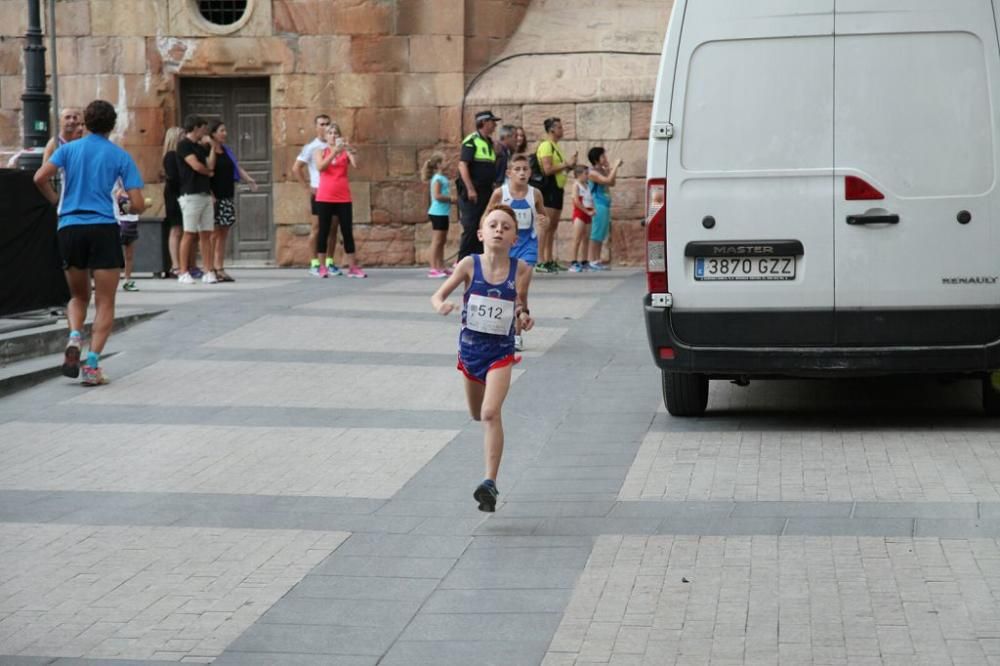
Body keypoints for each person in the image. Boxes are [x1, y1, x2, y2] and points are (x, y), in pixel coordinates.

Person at [32, 99, 146, 386]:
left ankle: (73, 336)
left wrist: (58, 202)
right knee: (105, 300)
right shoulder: (120, 156)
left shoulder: (68, 150)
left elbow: (39, 177)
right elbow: (139, 204)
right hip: (103, 228)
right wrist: (128, 207)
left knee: (78, 296)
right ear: (112, 125)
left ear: (86, 123)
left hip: (69, 227)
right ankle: (92, 365)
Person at [431, 204, 534, 512]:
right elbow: (438, 295)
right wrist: (440, 306)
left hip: (500, 353)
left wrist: (525, 316)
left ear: (515, 237)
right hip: (470, 352)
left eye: (506, 226)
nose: (499, 230)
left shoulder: (522, 270)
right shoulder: (468, 265)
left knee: (491, 413)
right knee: (477, 414)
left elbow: (521, 305)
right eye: (493, 225)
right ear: (481, 233)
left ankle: (489, 483)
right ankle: (488, 476)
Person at [485, 154, 545, 351]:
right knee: (505, 290)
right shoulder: (500, 194)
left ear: (530, 173)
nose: (522, 173)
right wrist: (486, 238)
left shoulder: (535, 194)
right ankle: (502, 329)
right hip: (506, 248)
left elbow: (544, 217)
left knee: (521, 290)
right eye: (517, 169)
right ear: (509, 173)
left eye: (525, 169)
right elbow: (487, 217)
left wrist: (545, 222)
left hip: (528, 245)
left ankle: (517, 335)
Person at [313, 123, 366, 278]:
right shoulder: (320, 151)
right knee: (323, 231)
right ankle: (322, 266)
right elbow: (321, 167)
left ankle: (352, 267)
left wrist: (350, 150)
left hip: (343, 197)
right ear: (325, 136)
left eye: (336, 133)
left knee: (347, 231)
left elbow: (357, 165)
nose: (333, 135)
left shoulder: (344, 152)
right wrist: (333, 152)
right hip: (325, 197)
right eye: (330, 132)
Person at [208, 120, 258, 282]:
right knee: (214, 234)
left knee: (223, 232)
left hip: (227, 194)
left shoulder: (226, 150)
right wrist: (209, 193)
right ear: (213, 133)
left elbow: (237, 167)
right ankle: (210, 268)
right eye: (222, 130)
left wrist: (249, 180)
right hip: (215, 196)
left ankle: (220, 267)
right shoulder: (208, 151)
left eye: (225, 130)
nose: (225, 133)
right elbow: (206, 172)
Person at [294, 114, 341, 276]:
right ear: (316, 127)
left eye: (327, 124)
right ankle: (314, 263)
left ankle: (329, 261)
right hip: (319, 191)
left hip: (335, 192)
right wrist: (307, 188)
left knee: (334, 227)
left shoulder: (336, 145)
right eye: (321, 124)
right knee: (317, 227)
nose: (325, 127)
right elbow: (296, 168)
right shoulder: (311, 147)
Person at [176, 115, 217, 285]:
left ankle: (208, 270)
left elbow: (211, 164)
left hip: (204, 193)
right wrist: (208, 172)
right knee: (189, 233)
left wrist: (213, 146)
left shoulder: (200, 147)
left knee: (206, 233)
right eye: (203, 128)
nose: (205, 132)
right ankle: (183, 271)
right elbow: (196, 166)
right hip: (191, 194)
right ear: (195, 128)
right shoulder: (184, 145)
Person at [535, 117, 577, 273]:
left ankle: (549, 259)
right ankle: (540, 260)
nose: (562, 130)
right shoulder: (546, 145)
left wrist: (568, 166)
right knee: (545, 225)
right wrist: (566, 164)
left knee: (552, 226)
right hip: (549, 188)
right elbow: (547, 169)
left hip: (558, 188)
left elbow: (558, 168)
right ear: (551, 130)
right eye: (559, 127)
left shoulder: (556, 146)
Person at [457, 110, 500, 260]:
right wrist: (470, 188)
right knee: (470, 226)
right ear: (483, 122)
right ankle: (461, 261)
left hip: (486, 191)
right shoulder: (472, 140)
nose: (495, 125)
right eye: (492, 122)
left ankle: (477, 260)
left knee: (482, 226)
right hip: (473, 193)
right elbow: (463, 165)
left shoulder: (489, 142)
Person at [587, 146, 622, 271]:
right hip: (597, 204)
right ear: (596, 159)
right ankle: (592, 260)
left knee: (601, 232)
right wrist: (615, 166)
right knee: (596, 233)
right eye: (602, 156)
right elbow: (607, 180)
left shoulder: (601, 170)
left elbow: (612, 182)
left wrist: (610, 169)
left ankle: (597, 259)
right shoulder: (592, 172)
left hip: (604, 204)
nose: (605, 158)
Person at [422, 152, 454, 278]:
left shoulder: (442, 177)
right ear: (439, 164)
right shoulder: (437, 179)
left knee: (442, 241)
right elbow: (437, 196)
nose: (448, 163)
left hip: (443, 212)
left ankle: (440, 265)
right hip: (437, 212)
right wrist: (451, 199)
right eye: (445, 161)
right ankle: (433, 267)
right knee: (437, 240)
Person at [161, 127, 184, 277]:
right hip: (174, 195)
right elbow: (174, 177)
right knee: (175, 229)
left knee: (180, 230)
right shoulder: (171, 155)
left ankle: (181, 264)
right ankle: (175, 265)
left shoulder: (179, 155)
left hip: (178, 194)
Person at [113, 178, 140, 292]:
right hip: (119, 222)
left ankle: (127, 279)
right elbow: (123, 207)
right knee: (116, 254)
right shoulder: (115, 186)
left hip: (131, 221)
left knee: (129, 254)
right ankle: (113, 281)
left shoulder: (133, 185)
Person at [569, 165, 595, 272]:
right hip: (580, 213)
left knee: (586, 239)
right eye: (586, 174)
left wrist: (593, 209)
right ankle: (573, 262)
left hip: (588, 213)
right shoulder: (576, 185)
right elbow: (576, 201)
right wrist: (587, 211)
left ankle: (584, 261)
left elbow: (590, 199)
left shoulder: (587, 185)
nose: (588, 176)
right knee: (577, 239)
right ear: (579, 174)